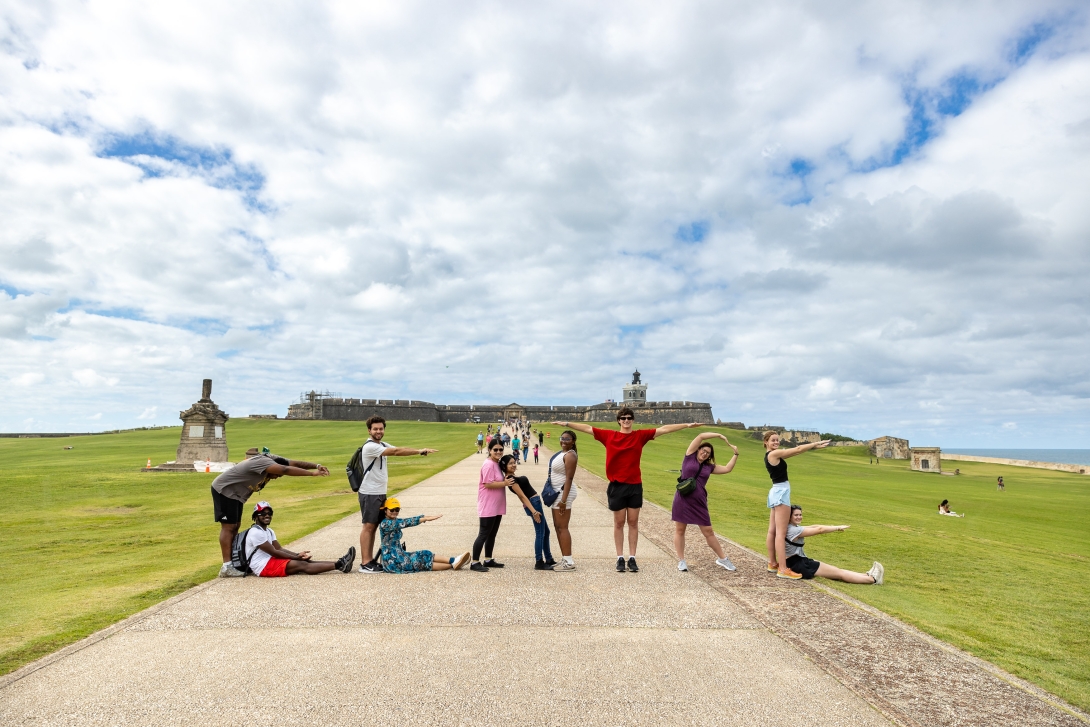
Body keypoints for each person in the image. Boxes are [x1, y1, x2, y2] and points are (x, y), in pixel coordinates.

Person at [554, 408, 702, 573]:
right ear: (618, 420)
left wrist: (688, 425)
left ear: (633, 419)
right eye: (623, 418)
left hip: (634, 485)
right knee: (618, 523)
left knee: (633, 522)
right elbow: (587, 428)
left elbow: (664, 429)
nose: (626, 420)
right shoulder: (610, 436)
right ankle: (619, 558)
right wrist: (566, 423)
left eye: (629, 418)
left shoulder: (640, 436)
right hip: (617, 486)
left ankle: (632, 557)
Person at [212, 447, 330, 578]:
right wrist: (313, 474)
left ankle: (236, 562)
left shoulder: (275, 460)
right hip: (224, 490)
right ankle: (227, 566)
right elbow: (285, 469)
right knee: (229, 527)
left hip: (237, 494)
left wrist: (317, 466)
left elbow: (293, 464)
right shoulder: (262, 462)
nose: (277, 477)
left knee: (236, 526)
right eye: (277, 474)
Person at [356, 416, 439, 574]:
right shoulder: (369, 447)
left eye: (381, 428)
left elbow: (399, 448)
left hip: (379, 492)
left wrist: (418, 452)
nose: (379, 431)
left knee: (375, 526)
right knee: (369, 526)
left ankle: (372, 560)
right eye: (375, 429)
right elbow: (395, 452)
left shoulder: (381, 444)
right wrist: (419, 450)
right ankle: (365, 563)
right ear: (369, 430)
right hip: (369, 492)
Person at [763, 431, 831, 580]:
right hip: (781, 492)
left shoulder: (772, 455)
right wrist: (815, 444)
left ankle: (772, 563)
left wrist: (812, 448)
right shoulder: (773, 454)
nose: (776, 442)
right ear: (766, 442)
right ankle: (782, 569)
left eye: (777, 440)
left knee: (772, 531)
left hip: (776, 491)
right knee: (780, 533)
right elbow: (797, 450)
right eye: (773, 440)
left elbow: (795, 453)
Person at [672, 432, 739, 573]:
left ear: (710, 456)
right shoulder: (689, 457)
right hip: (683, 499)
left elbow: (727, 469)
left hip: (699, 502)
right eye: (703, 450)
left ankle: (723, 559)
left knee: (708, 531)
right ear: (698, 450)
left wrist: (735, 454)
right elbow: (701, 436)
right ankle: (681, 561)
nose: (704, 453)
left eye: (708, 452)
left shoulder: (709, 467)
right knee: (680, 529)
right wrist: (720, 435)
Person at [244, 501, 356, 576]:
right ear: (255, 516)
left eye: (269, 513)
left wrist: (297, 554)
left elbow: (280, 549)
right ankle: (340, 565)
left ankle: (340, 562)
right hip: (262, 566)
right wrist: (297, 558)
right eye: (262, 513)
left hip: (270, 561)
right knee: (301, 565)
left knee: (306, 561)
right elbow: (274, 552)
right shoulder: (255, 532)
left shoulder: (269, 531)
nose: (267, 515)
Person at [785, 505, 883, 584]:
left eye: (800, 514)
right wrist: (837, 527)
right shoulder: (794, 530)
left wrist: (832, 527)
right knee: (839, 573)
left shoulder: (790, 527)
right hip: (799, 564)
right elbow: (819, 530)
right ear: (789, 517)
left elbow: (814, 526)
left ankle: (866, 575)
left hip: (796, 562)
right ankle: (872, 579)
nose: (799, 517)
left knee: (837, 570)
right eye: (796, 515)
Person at [378, 498, 470, 573]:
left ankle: (454, 560)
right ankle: (454, 564)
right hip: (393, 561)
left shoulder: (394, 521)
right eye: (392, 509)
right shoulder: (385, 524)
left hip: (400, 555)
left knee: (424, 553)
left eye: (397, 509)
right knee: (420, 562)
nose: (394, 512)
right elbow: (406, 522)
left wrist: (425, 517)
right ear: (385, 510)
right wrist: (424, 519)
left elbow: (405, 521)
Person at [499, 454, 555, 570]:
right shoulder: (510, 480)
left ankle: (549, 558)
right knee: (540, 533)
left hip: (534, 503)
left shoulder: (512, 477)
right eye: (510, 463)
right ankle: (539, 562)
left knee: (546, 532)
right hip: (533, 504)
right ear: (504, 466)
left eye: (514, 462)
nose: (514, 465)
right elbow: (522, 496)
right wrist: (534, 512)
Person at [472, 440, 512, 571]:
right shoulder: (488, 464)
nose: (498, 452)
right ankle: (474, 562)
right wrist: (504, 483)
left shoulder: (496, 463)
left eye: (501, 449)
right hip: (488, 505)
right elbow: (487, 484)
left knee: (492, 534)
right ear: (489, 450)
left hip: (496, 505)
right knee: (483, 533)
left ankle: (488, 559)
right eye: (495, 449)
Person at [548, 430, 580, 571]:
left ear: (573, 441)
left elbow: (569, 478)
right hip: (558, 494)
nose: (564, 441)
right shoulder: (562, 453)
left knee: (563, 527)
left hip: (563, 494)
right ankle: (564, 559)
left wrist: (564, 500)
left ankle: (569, 561)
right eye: (562, 438)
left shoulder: (571, 455)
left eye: (567, 439)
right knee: (558, 527)